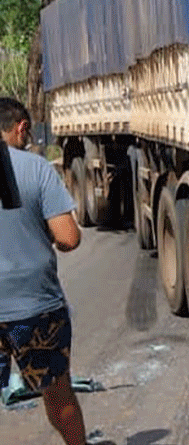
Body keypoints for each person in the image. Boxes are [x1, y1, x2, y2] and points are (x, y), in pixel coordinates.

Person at [0, 97, 88, 444]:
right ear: (21, 128)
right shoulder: (34, 168)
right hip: (35, 306)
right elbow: (68, 238)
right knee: (57, 392)